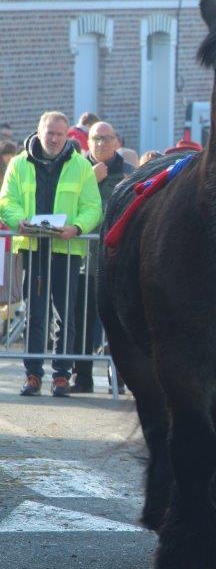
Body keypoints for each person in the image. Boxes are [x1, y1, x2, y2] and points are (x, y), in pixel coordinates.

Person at [0, 111, 102, 397]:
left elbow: (92, 207)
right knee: (35, 314)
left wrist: (78, 227)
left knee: (64, 316)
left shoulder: (81, 166)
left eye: (60, 134)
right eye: (50, 133)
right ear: (39, 131)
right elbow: (7, 200)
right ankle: (32, 375)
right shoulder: (19, 164)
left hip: (65, 249)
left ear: (67, 135)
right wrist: (17, 221)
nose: (55, 139)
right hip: (33, 248)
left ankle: (61, 375)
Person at [71, 121, 134, 393]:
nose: (101, 144)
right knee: (80, 322)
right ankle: (81, 377)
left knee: (118, 327)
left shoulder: (130, 175)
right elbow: (66, 207)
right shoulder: (76, 172)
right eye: (96, 138)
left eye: (106, 138)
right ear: (88, 142)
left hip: (117, 263)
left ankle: (119, 380)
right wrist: (89, 181)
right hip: (84, 260)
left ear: (117, 142)